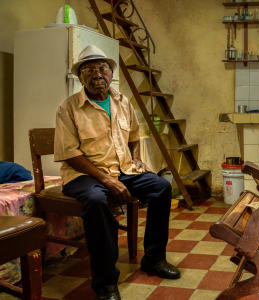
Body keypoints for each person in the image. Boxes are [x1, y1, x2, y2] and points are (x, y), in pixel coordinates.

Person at [54, 45, 180, 300]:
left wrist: (136, 159)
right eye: (89, 69)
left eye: (102, 68)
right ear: (81, 77)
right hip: (84, 175)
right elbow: (70, 153)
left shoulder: (123, 102)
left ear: (111, 73)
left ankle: (154, 259)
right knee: (97, 200)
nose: (97, 73)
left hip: (122, 169)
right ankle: (105, 283)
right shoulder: (68, 108)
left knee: (161, 187)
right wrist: (106, 180)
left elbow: (134, 135)